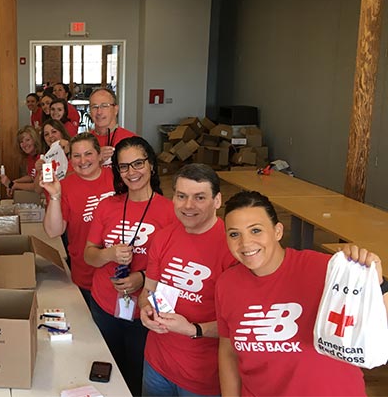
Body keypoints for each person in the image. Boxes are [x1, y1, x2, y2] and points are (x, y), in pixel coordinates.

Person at [217, 191, 387, 396]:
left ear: (278, 231)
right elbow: (228, 351)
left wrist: (375, 283)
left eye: (256, 230)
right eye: (234, 234)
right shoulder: (226, 284)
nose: (245, 243)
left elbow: (378, 322)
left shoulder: (326, 270)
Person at [84, 136, 177, 396]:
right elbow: (89, 255)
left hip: (145, 314)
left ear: (151, 165)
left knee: (136, 376)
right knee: (106, 374)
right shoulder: (107, 206)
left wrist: (143, 277)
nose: (131, 172)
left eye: (138, 163)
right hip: (104, 306)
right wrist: (109, 254)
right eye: (124, 166)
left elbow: (174, 268)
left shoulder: (170, 211)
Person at [138, 163, 235, 396]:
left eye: (199, 197)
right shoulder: (163, 238)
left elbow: (238, 323)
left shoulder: (232, 248)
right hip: (156, 363)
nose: (188, 206)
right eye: (181, 196)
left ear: (217, 200)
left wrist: (193, 329)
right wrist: (145, 310)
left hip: (201, 376)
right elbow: (148, 291)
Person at [41, 133, 114, 305]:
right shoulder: (65, 186)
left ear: (99, 155)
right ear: (70, 160)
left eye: (88, 154)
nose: (83, 161)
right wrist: (55, 196)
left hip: (119, 273)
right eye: (76, 156)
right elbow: (53, 231)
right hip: (86, 274)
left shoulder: (117, 179)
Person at [88, 88, 135, 166]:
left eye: (104, 106)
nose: (99, 112)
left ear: (116, 109)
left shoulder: (132, 141)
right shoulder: (84, 142)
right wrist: (96, 160)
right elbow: (71, 171)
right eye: (94, 107)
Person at [0, 125, 43, 195]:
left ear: (35, 140)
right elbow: (32, 177)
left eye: (27, 140)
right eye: (21, 142)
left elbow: (36, 187)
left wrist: (12, 185)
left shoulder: (41, 158)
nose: (24, 144)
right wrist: (15, 182)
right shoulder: (30, 156)